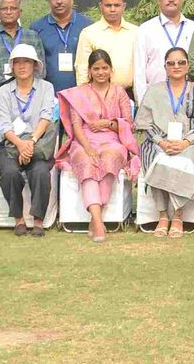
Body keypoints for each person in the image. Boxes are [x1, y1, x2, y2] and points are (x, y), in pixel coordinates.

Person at [56, 50, 140, 242]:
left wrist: (108, 124)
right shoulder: (79, 93)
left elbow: (128, 122)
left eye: (104, 68)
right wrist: (87, 147)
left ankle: (95, 219)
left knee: (110, 158)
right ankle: (98, 220)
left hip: (113, 139)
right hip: (85, 140)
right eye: (96, 69)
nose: (101, 72)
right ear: (90, 71)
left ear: (111, 70)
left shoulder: (119, 92)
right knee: (87, 161)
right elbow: (76, 125)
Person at [135, 46, 194, 237]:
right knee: (158, 161)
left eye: (181, 62)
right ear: (165, 67)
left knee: (183, 163)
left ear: (188, 66)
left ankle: (178, 215)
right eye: (171, 63)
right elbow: (145, 123)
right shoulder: (154, 90)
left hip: (191, 144)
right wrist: (161, 142)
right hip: (158, 143)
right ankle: (162, 215)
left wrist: (185, 142)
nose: (176, 66)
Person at [0, 42, 57, 237]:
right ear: (11, 66)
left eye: (27, 62)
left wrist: (31, 141)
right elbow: (4, 125)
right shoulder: (4, 91)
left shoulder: (46, 87)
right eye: (17, 62)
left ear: (35, 65)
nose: (22, 66)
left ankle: (38, 220)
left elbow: (46, 116)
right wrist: (20, 144)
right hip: (11, 144)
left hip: (39, 142)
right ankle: (18, 219)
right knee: (10, 172)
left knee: (41, 172)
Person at [29, 0, 92, 94]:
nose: (59, 1)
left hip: (82, 94)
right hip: (48, 95)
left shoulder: (87, 26)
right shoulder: (37, 28)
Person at [133, 0, 194, 101]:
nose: (171, 0)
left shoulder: (193, 28)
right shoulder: (145, 29)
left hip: (187, 97)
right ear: (159, 1)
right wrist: (143, 104)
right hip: (155, 98)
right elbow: (139, 71)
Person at [75, 0, 138, 91]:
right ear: (101, 6)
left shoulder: (136, 32)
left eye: (117, 5)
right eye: (108, 5)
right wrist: (85, 97)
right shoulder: (89, 33)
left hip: (129, 93)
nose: (113, 9)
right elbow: (82, 70)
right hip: (98, 94)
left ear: (124, 6)